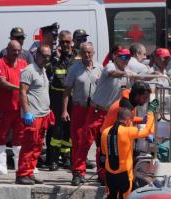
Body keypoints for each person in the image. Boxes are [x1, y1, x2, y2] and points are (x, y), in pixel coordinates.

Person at [77, 48, 134, 185]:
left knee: (104, 147)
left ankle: (102, 174)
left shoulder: (127, 72)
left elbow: (141, 77)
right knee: (85, 143)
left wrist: (153, 75)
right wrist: (125, 73)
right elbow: (112, 73)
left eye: (127, 57)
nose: (125, 60)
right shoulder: (110, 66)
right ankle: (78, 172)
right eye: (122, 57)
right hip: (96, 112)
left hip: (109, 115)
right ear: (115, 57)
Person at [61, 42, 103, 186]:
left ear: (93, 53)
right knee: (78, 141)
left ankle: (101, 172)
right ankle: (78, 172)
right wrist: (65, 110)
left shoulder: (100, 68)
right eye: (84, 52)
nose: (87, 55)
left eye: (89, 52)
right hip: (79, 108)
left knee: (99, 141)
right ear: (80, 53)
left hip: (95, 110)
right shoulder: (74, 69)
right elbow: (66, 92)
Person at [101, 102, 158, 199]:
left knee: (111, 196)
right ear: (127, 120)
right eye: (131, 120)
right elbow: (148, 131)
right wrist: (150, 113)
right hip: (124, 175)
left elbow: (104, 152)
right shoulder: (129, 131)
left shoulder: (105, 132)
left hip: (109, 174)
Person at [16, 45, 54, 185]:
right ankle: (22, 174)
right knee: (28, 146)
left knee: (37, 146)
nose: (46, 58)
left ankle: (29, 172)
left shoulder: (42, 70)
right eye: (44, 56)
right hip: (33, 115)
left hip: (43, 114)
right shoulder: (29, 70)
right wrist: (26, 112)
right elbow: (22, 92)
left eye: (48, 56)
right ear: (37, 55)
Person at [45, 30, 78, 171]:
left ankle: (66, 158)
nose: (65, 44)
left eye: (67, 41)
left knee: (69, 130)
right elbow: (49, 73)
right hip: (57, 97)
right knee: (56, 130)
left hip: (73, 97)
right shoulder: (54, 57)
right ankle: (53, 160)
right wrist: (56, 59)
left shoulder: (77, 57)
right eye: (62, 41)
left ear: (72, 42)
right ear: (59, 42)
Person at [0, 40, 27, 175]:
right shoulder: (0, 63)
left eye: (19, 51)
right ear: (7, 49)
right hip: (4, 109)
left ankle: (20, 164)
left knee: (20, 136)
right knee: (1, 135)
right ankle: (0, 164)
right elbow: (2, 82)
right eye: (14, 51)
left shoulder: (23, 64)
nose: (16, 53)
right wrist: (20, 88)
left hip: (20, 108)